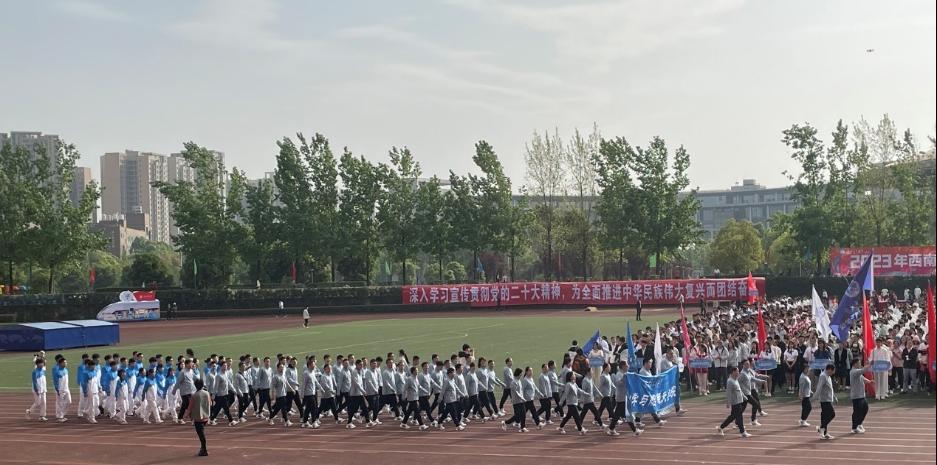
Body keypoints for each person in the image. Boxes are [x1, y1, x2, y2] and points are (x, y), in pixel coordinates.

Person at [717, 367, 750, 438]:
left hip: (739, 401)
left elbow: (740, 390)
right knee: (739, 417)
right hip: (735, 402)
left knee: (732, 417)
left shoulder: (736, 380)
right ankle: (743, 432)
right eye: (737, 371)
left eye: (738, 371)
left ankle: (721, 427)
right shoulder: (730, 381)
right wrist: (728, 402)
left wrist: (744, 397)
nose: (738, 373)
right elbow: (728, 393)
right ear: (733, 372)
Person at [184, 378, 211, 457]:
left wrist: (186, 415)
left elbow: (190, 407)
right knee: (202, 433)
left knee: (201, 435)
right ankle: (203, 448)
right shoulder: (207, 393)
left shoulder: (194, 395)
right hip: (206, 416)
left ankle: (204, 449)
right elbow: (210, 403)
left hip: (198, 418)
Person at [813, 363, 837, 440]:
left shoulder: (828, 376)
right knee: (832, 414)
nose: (833, 373)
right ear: (829, 369)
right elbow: (819, 387)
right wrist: (815, 397)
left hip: (828, 399)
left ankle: (824, 433)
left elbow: (830, 388)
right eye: (833, 371)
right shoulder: (823, 376)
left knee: (825, 416)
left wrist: (834, 397)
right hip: (825, 400)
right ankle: (821, 428)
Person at [848, 358, 872, 434]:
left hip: (861, 395)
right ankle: (854, 428)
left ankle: (859, 424)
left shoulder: (857, 372)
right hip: (856, 396)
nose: (860, 364)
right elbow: (862, 370)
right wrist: (870, 365)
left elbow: (862, 378)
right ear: (855, 364)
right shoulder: (853, 372)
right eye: (859, 363)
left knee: (865, 408)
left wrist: (869, 381)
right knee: (857, 412)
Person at [52, 357, 71, 422]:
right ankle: (60, 417)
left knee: (69, 402)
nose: (66, 363)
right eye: (64, 362)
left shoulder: (66, 370)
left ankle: (62, 414)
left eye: (66, 362)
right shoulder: (57, 371)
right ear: (60, 363)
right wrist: (57, 389)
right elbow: (55, 381)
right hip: (60, 390)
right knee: (60, 403)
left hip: (66, 389)